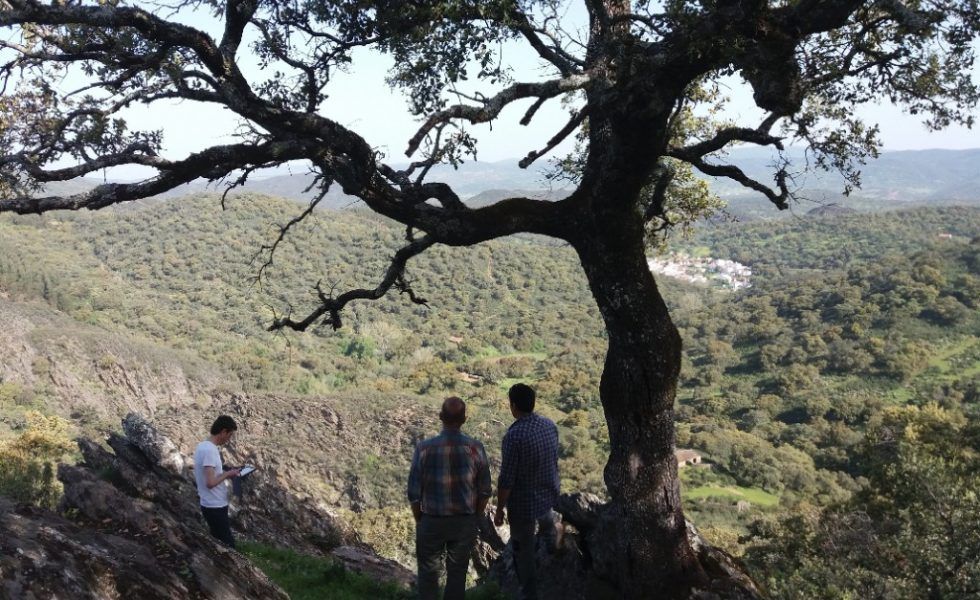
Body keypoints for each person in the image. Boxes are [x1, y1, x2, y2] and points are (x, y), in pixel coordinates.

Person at [408, 397, 493, 600]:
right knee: (457, 575)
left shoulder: (424, 448)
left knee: (428, 575)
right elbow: (485, 490)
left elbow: (413, 491)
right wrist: (477, 514)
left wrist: (420, 517)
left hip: (431, 519)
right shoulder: (475, 448)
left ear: (440, 417)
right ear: (464, 419)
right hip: (464, 521)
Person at [494, 383, 560, 600]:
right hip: (549, 494)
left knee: (523, 550)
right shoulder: (549, 425)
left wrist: (500, 509)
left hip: (524, 504)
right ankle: (553, 551)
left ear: (513, 406)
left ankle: (529, 593)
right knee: (548, 524)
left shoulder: (514, 437)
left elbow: (506, 480)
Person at [193, 415, 241, 548]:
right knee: (228, 545)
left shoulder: (202, 446)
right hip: (215, 505)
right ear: (223, 431)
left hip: (209, 503)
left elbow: (209, 475)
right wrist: (227, 474)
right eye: (229, 435)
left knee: (217, 543)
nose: (228, 439)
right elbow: (210, 482)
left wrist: (225, 472)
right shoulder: (210, 451)